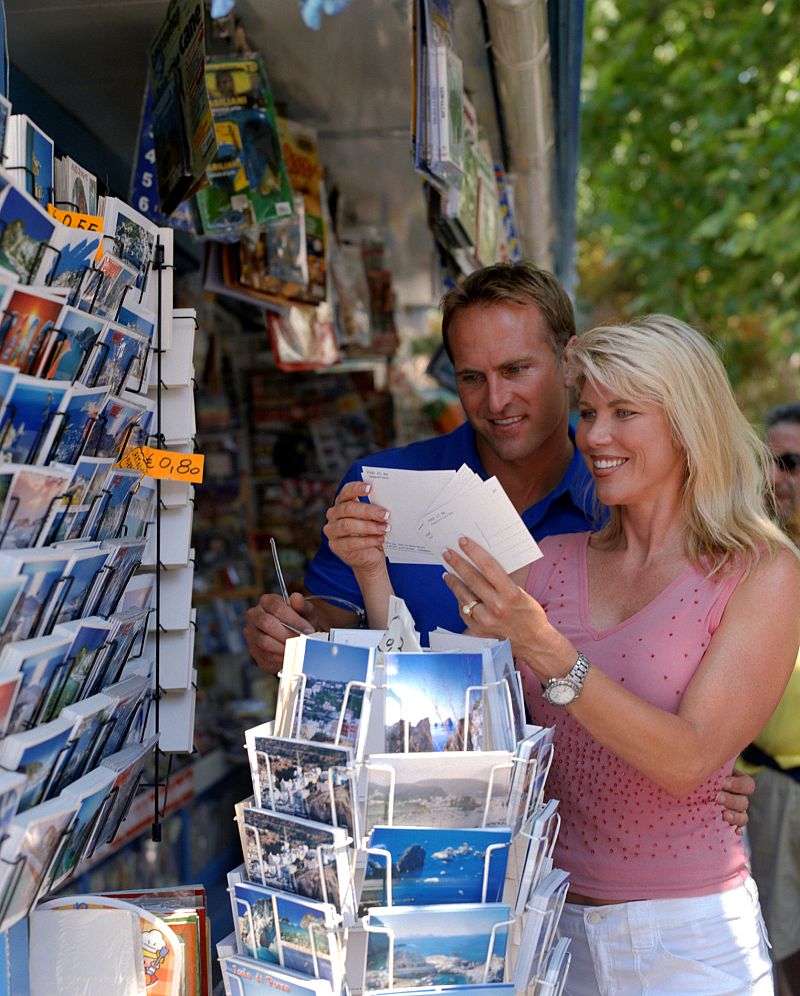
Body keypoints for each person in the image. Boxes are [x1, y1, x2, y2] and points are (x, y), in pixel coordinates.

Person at [243, 261, 754, 827]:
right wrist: (290, 636)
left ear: (569, 361)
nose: (496, 399)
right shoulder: (384, 487)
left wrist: (713, 765)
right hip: (429, 819)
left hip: (600, 832)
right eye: (472, 377)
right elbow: (330, 634)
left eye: (516, 369)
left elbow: (690, 657)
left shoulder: (627, 492)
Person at [420, 315, 799, 993]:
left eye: (625, 412)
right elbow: (474, 746)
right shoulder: (547, 564)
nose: (594, 436)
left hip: (689, 936)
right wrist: (368, 574)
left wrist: (549, 652)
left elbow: (688, 761)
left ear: (688, 424)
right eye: (589, 412)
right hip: (547, 924)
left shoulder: (760, 571)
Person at [740, 403, 800, 995]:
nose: (778, 478)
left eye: (792, 463)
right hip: (768, 792)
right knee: (779, 950)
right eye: (770, 463)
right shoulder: (750, 552)